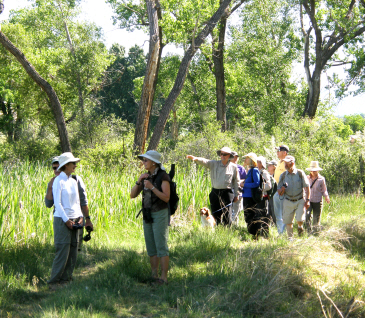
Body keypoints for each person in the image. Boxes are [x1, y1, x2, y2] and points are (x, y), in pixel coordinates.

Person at [130, 150, 170, 285]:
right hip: (147, 213)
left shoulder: (163, 176)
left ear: (154, 162)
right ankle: (154, 275)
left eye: (146, 160)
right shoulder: (146, 176)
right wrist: (139, 181)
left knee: (161, 246)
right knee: (151, 246)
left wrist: (152, 187)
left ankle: (164, 278)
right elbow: (132, 195)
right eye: (143, 160)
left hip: (160, 213)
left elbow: (166, 197)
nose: (143, 162)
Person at [48, 152, 87, 289]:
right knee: (62, 251)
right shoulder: (59, 181)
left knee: (73, 250)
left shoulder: (73, 181)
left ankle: (66, 280)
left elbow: (76, 201)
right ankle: (54, 282)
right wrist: (66, 220)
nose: (75, 165)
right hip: (61, 220)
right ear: (65, 165)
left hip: (75, 219)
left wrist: (80, 216)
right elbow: (57, 203)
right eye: (72, 163)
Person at [45, 156, 93, 251]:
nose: (57, 170)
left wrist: (87, 219)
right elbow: (48, 204)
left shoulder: (75, 180)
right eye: (54, 168)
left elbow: (83, 201)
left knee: (75, 249)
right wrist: (50, 187)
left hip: (76, 218)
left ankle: (76, 264)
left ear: (64, 166)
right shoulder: (54, 182)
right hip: (61, 219)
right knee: (63, 249)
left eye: (58, 167)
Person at [187, 147, 240, 225]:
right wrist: (195, 159)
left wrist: (236, 194)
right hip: (215, 192)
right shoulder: (214, 164)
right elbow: (205, 161)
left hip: (227, 193)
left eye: (224, 154)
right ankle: (216, 231)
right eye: (221, 154)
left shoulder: (233, 167)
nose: (222, 156)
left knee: (227, 215)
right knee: (215, 214)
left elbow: (236, 182)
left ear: (229, 156)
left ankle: (227, 232)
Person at [277, 155, 310, 239]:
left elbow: (307, 187)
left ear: (293, 163)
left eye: (287, 163)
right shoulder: (283, 175)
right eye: (285, 163)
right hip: (287, 200)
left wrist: (307, 200)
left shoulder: (300, 173)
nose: (285, 165)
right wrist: (282, 189)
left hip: (300, 199)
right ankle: (290, 240)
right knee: (288, 222)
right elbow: (279, 192)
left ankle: (300, 227)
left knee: (300, 219)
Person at [241, 153, 264, 238]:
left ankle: (255, 234)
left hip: (251, 197)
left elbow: (256, 183)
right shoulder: (250, 170)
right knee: (248, 216)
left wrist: (244, 185)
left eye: (247, 158)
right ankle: (252, 234)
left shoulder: (254, 170)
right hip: (246, 196)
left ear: (251, 159)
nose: (245, 160)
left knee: (251, 216)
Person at [305, 161, 330, 233]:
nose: (313, 172)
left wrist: (326, 196)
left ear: (317, 170)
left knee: (316, 218)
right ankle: (309, 231)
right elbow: (304, 189)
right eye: (312, 170)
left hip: (318, 201)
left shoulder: (321, 179)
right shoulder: (306, 178)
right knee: (307, 215)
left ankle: (316, 232)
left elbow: (324, 190)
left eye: (315, 170)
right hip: (308, 200)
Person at [273, 145, 289, 234]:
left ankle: (285, 233)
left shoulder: (288, 163)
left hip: (284, 191)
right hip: (277, 190)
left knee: (285, 214)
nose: (277, 152)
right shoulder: (279, 162)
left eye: (279, 151)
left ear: (284, 153)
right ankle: (280, 233)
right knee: (278, 214)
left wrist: (283, 188)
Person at [256, 156, 272, 235]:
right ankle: (258, 233)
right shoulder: (257, 171)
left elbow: (269, 186)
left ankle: (265, 233)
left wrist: (259, 188)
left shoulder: (264, 173)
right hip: (257, 198)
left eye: (258, 162)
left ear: (262, 164)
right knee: (258, 215)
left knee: (264, 216)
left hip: (264, 198)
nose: (257, 163)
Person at [231, 151, 246, 224]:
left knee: (237, 210)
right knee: (230, 210)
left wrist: (238, 181)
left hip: (238, 192)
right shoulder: (226, 166)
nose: (235, 159)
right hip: (229, 191)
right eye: (234, 157)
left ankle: (234, 226)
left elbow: (245, 179)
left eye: (236, 157)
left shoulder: (241, 168)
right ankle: (229, 225)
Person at [267, 160, 278, 225]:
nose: (268, 167)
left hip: (275, 196)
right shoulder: (267, 175)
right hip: (268, 196)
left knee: (274, 212)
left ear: (274, 167)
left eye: (270, 165)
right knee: (268, 211)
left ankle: (276, 227)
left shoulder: (277, 175)